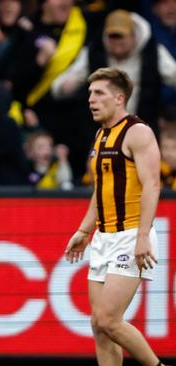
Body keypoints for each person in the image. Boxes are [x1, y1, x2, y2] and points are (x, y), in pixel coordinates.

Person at [65, 67, 168, 366]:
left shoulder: (138, 131)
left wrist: (142, 237)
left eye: (99, 93)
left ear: (119, 98)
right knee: (99, 327)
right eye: (89, 94)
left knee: (109, 320)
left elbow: (152, 184)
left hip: (130, 234)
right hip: (104, 236)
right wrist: (84, 231)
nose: (91, 100)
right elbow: (101, 190)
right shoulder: (101, 135)